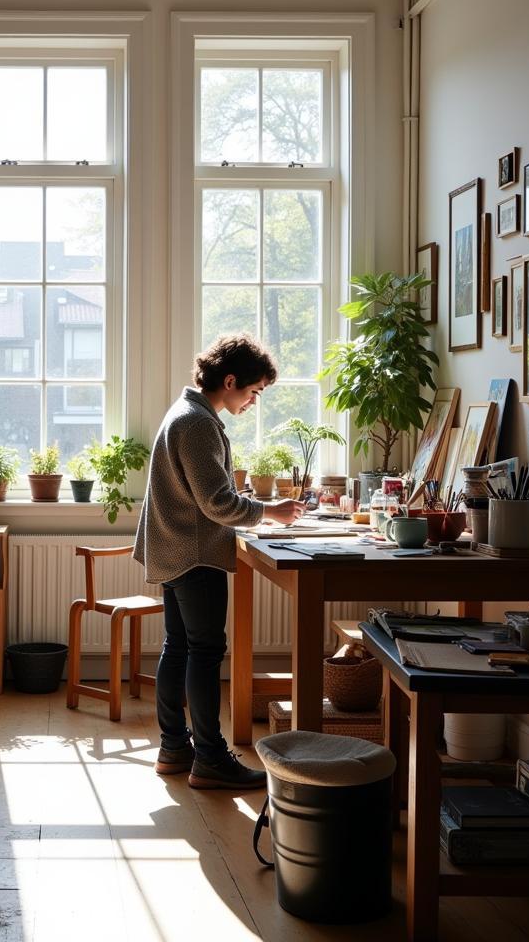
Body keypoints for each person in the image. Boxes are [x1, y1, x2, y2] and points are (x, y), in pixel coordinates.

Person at [133, 334, 305, 789]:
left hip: (174, 549)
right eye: (253, 392)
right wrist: (271, 512)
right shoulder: (197, 424)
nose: (253, 402)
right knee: (204, 653)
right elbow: (215, 504)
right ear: (230, 380)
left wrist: (248, 504)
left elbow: (204, 496)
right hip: (193, 554)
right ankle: (209, 758)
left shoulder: (187, 413)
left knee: (180, 648)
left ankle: (175, 748)